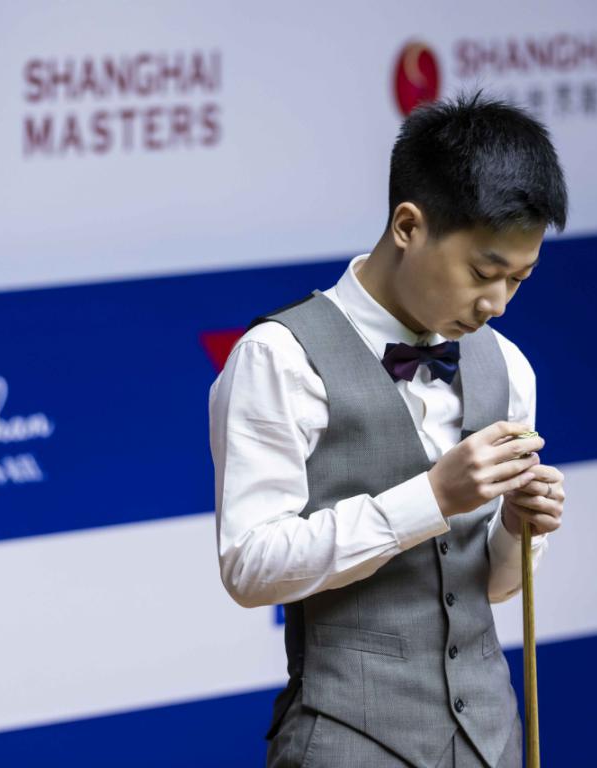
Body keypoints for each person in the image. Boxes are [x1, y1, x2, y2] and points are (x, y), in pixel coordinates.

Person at [208, 92, 569, 768]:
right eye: (483, 273)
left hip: (491, 741)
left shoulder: (508, 368)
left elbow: (489, 589)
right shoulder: (279, 358)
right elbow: (250, 568)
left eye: (519, 280)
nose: (495, 304)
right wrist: (430, 498)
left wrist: (519, 528)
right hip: (346, 740)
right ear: (408, 226)